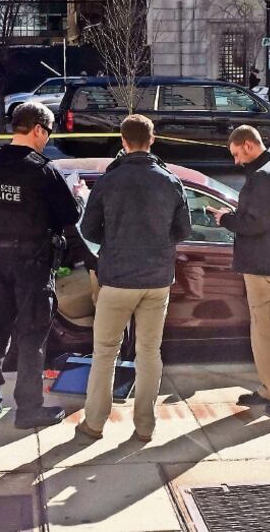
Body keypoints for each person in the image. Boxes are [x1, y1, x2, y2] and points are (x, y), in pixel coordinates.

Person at [0, 102, 84, 429]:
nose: (48, 138)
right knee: (31, 336)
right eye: (49, 131)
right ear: (38, 129)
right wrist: (77, 195)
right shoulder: (44, 170)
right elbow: (71, 216)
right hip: (34, 264)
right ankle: (28, 409)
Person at [76, 114, 192, 442]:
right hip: (157, 280)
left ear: (123, 142)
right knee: (149, 352)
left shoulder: (110, 180)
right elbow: (184, 229)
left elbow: (88, 229)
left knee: (104, 351)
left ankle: (94, 423)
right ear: (152, 139)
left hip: (116, 278)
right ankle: (145, 426)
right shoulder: (170, 180)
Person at [208, 126, 270, 417]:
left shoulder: (266, 175)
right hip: (264, 264)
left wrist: (226, 219)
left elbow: (255, 223)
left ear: (250, 145)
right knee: (264, 332)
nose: (237, 161)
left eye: (237, 154)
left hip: (264, 266)